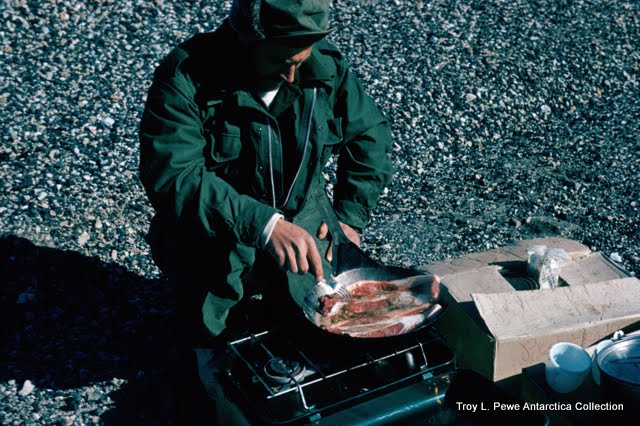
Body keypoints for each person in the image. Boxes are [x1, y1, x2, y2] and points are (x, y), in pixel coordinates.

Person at [139, 0, 392, 423]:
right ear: (247, 41)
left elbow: (370, 136)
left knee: (322, 317)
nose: (293, 75)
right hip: (216, 229)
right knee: (214, 331)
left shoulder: (322, 65)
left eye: (300, 60)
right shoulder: (186, 76)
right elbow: (173, 177)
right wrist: (264, 224)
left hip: (302, 213)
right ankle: (207, 347)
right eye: (281, 61)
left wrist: (349, 217)